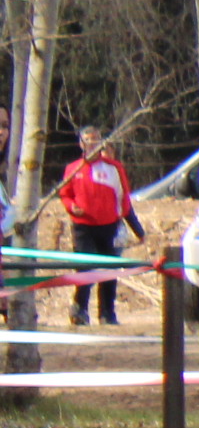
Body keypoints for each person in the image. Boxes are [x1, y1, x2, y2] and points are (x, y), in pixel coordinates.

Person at [54, 128, 139, 328]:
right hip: (83, 227)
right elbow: (65, 194)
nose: (92, 144)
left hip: (109, 227)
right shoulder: (74, 168)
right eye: (88, 141)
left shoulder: (114, 168)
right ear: (81, 144)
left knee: (110, 270)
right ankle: (80, 309)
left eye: (96, 140)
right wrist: (72, 207)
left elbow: (124, 198)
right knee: (85, 268)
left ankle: (107, 313)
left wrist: (135, 228)